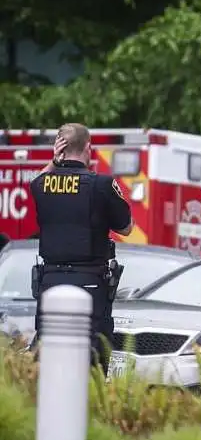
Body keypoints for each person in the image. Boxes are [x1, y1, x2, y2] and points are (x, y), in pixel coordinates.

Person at [29, 123, 134, 376]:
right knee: (92, 352)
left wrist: (54, 162)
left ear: (60, 148)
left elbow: (35, 182)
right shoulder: (101, 184)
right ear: (88, 148)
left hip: (50, 280)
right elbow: (127, 228)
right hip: (90, 283)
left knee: (48, 349)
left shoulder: (44, 183)